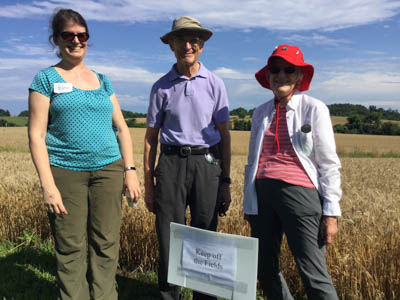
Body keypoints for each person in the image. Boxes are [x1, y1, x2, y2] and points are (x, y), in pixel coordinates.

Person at [28, 8, 141, 300]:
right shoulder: (46, 79)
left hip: (108, 170)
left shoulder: (103, 80)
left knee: (106, 242)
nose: (76, 40)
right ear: (56, 39)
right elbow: (37, 135)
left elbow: (122, 129)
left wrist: (130, 171)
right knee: (70, 245)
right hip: (65, 172)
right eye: (69, 35)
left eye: (82, 35)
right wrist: (48, 185)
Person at [243, 44, 342, 300]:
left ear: (299, 76)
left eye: (289, 69)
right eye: (275, 69)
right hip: (262, 195)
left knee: (312, 272)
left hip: (300, 195)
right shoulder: (260, 113)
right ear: (268, 76)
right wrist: (249, 202)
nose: (281, 75)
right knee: (265, 268)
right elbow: (253, 160)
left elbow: (328, 162)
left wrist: (331, 212)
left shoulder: (314, 108)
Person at [144, 16, 231, 300]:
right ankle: (170, 296)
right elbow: (150, 138)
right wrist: (148, 184)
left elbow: (225, 136)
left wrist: (226, 181)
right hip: (170, 165)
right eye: (181, 39)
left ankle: (205, 297)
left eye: (194, 40)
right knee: (169, 237)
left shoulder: (216, 84)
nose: (188, 45)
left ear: (202, 45)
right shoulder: (161, 87)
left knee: (205, 235)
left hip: (207, 165)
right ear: (171, 45)